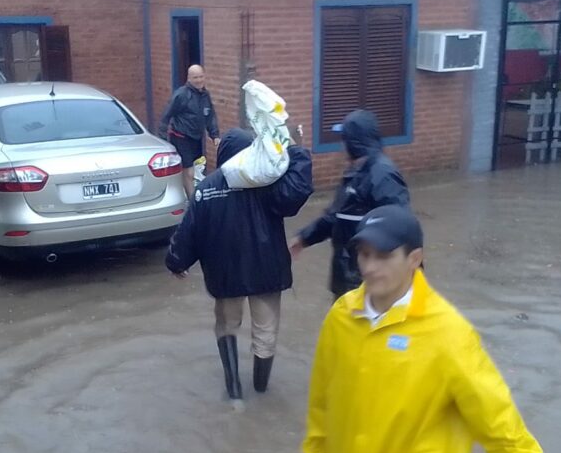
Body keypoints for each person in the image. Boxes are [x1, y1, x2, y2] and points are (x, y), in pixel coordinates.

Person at [301, 205, 548, 453]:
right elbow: (323, 396)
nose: (369, 267)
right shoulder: (342, 317)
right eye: (364, 254)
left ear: (415, 259)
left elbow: (505, 432)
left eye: (384, 256)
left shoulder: (447, 334)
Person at [166, 128, 313, 402]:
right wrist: (297, 151)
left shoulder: (206, 189)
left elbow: (190, 231)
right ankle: (261, 389)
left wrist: (176, 261)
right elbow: (297, 193)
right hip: (267, 271)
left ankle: (234, 393)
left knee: (226, 325)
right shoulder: (267, 181)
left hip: (225, 274)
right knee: (266, 331)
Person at [290, 109, 409, 300]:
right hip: (346, 277)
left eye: (344, 139)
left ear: (354, 142)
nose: (341, 145)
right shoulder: (354, 173)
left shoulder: (383, 175)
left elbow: (398, 227)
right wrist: (304, 238)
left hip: (369, 280)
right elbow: (335, 217)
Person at [158, 64, 220, 200]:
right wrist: (162, 138)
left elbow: (210, 115)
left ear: (204, 76)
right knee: (189, 172)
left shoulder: (205, 95)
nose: (198, 80)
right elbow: (167, 115)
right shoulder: (181, 94)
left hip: (196, 138)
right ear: (189, 78)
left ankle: (185, 191)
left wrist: (214, 135)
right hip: (181, 136)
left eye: (200, 77)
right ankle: (193, 202)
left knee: (196, 168)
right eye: (195, 77)